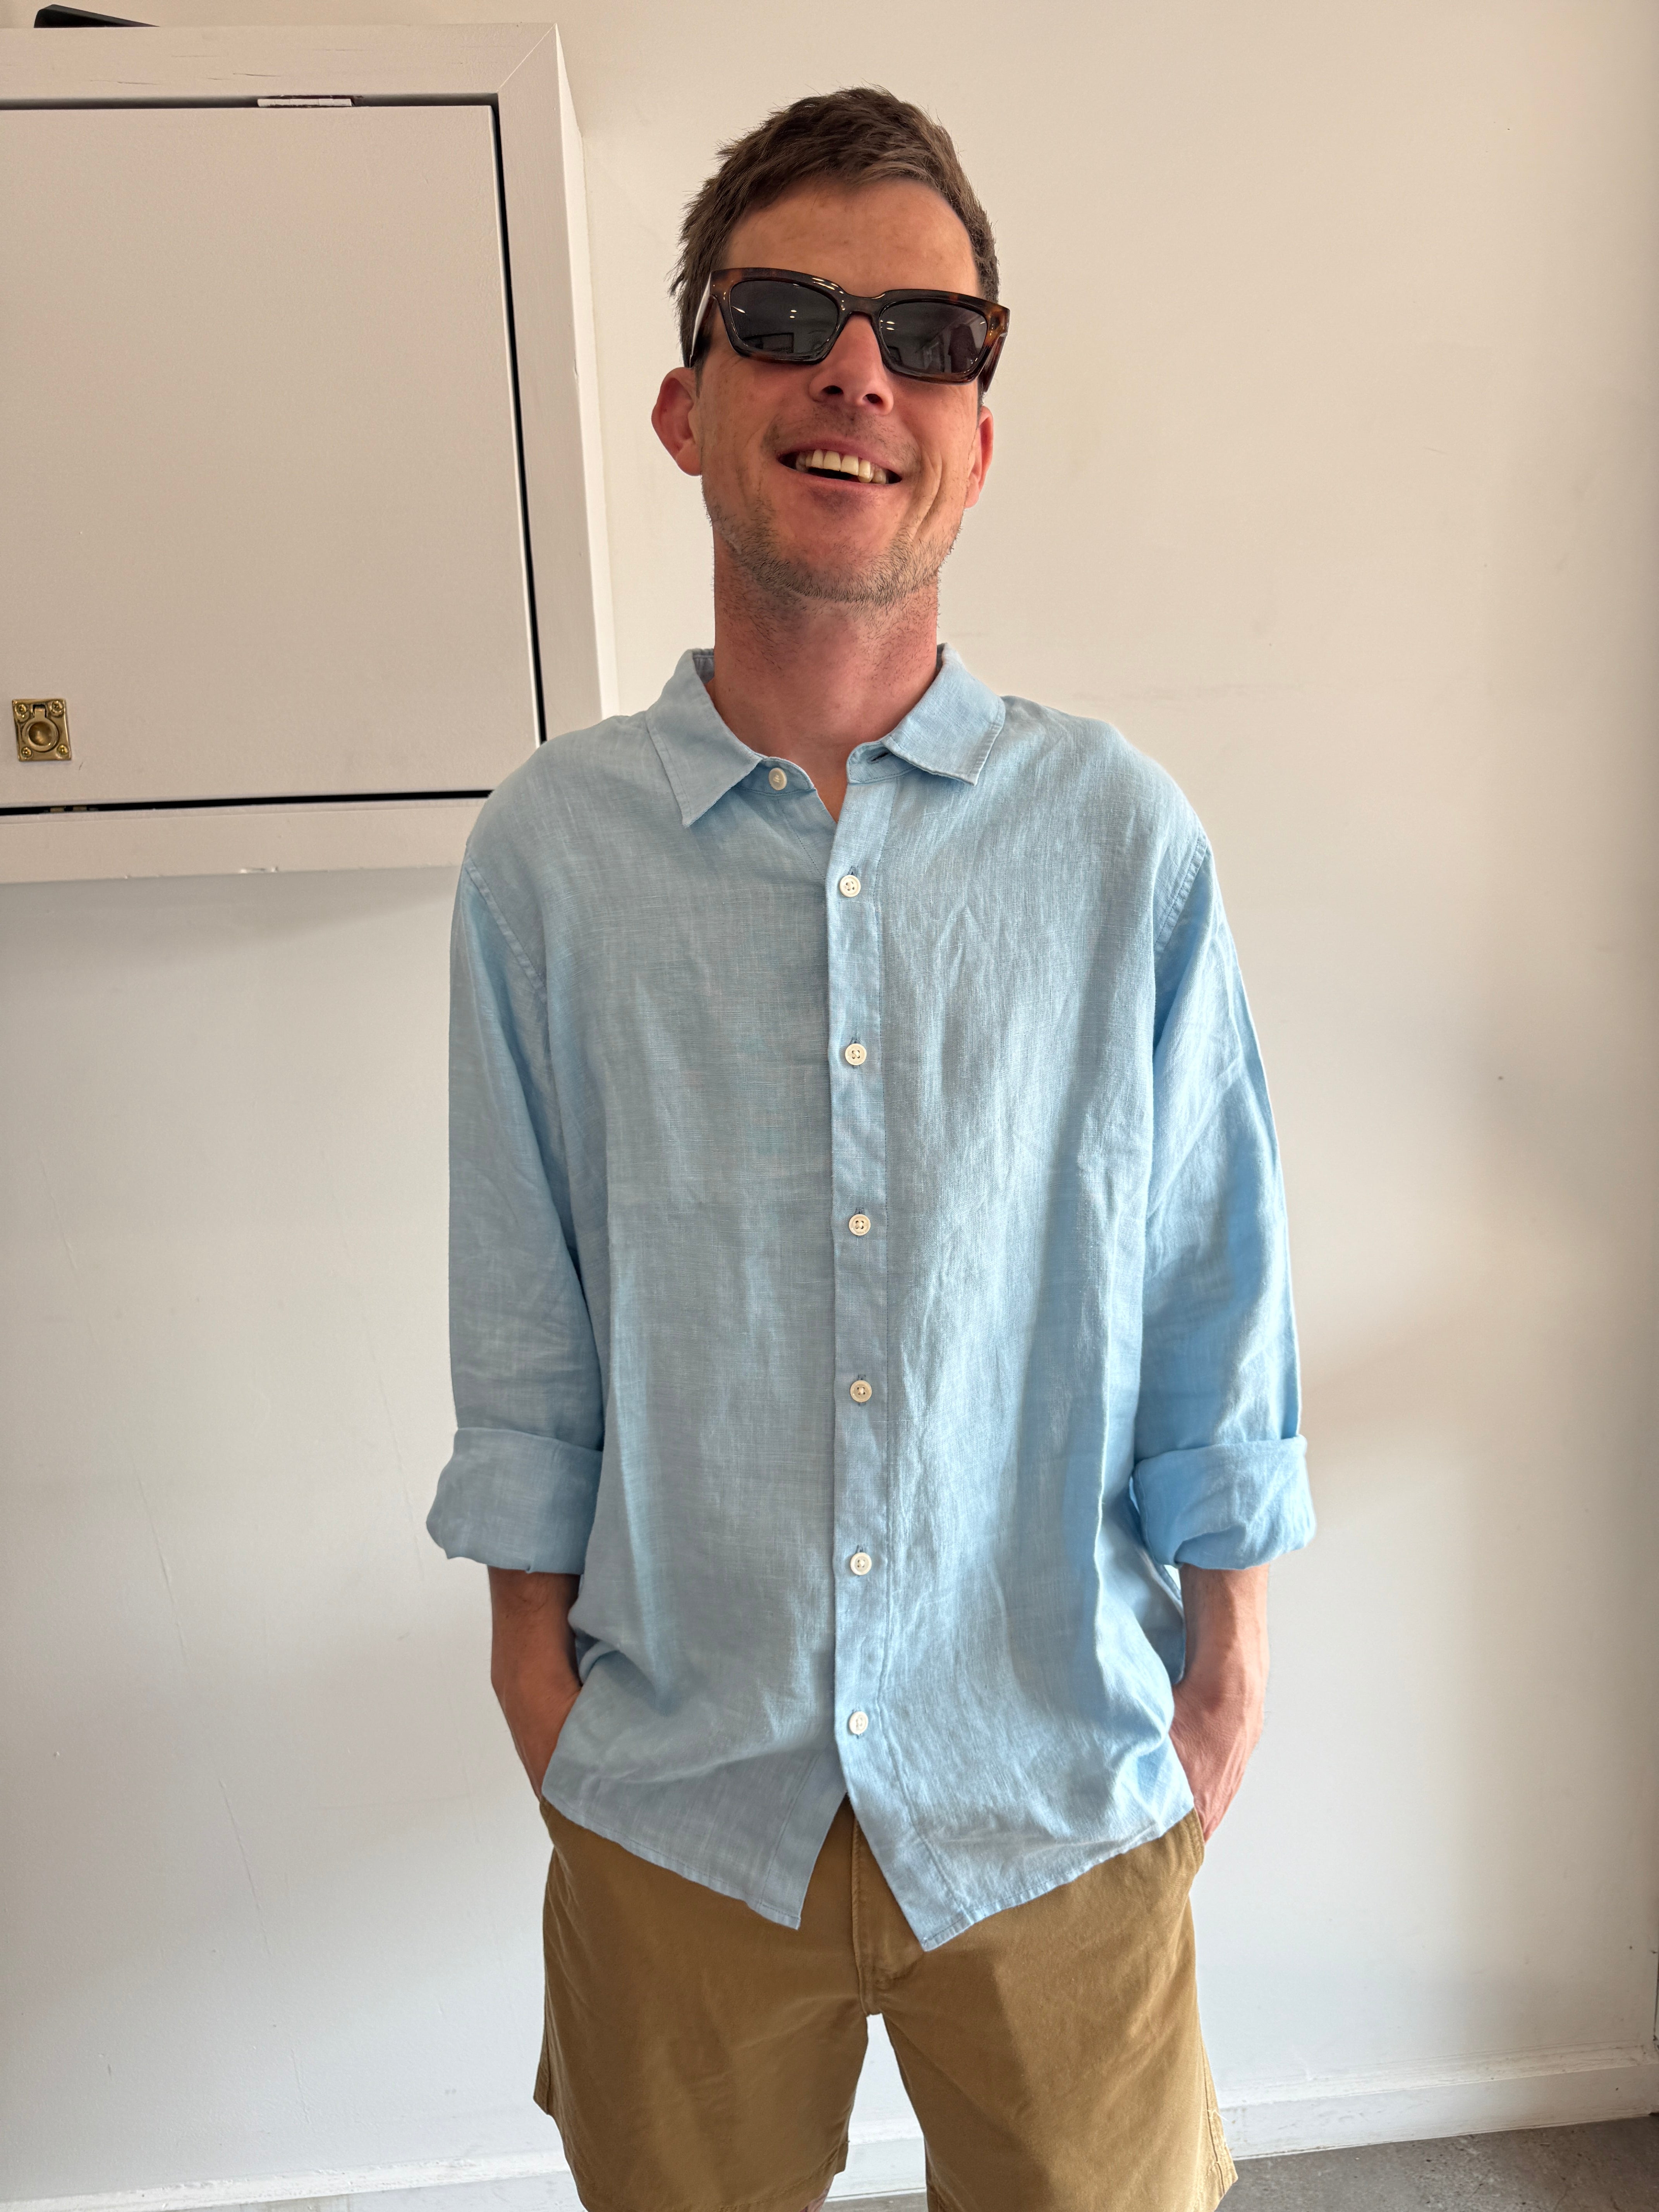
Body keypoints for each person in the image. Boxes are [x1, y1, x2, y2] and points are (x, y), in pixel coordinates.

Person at [427, 84, 1314, 2212]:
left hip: (1056, 1782)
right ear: (685, 404)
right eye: (791, 313)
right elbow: (523, 1293)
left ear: (977, 437)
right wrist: (538, 1672)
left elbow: (1216, 1271)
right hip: (678, 1797)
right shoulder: (554, 857)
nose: (859, 372)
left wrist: (1227, 1671)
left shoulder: (1116, 840)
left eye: (931, 338)